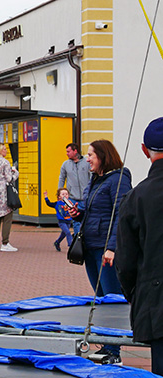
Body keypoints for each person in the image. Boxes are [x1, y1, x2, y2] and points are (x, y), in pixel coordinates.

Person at [67, 139, 131, 365]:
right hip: (91, 247)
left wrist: (112, 247)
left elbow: (120, 216)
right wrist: (78, 214)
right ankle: (107, 345)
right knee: (101, 299)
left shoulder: (119, 179)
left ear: (103, 156)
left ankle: (114, 351)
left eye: (91, 154)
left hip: (106, 250)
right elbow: (93, 211)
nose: (87, 159)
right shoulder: (96, 180)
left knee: (112, 299)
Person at [117, 117, 163, 374]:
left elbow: (125, 262)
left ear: (145, 150)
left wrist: (136, 295)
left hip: (158, 304)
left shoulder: (136, 197)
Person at [58, 143, 90, 234]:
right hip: (72, 198)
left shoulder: (86, 162)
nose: (67, 153)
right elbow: (61, 178)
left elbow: (92, 177)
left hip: (85, 197)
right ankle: (77, 240)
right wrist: (60, 192)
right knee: (75, 221)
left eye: (68, 151)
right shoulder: (65, 164)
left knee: (86, 219)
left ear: (75, 151)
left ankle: (85, 238)